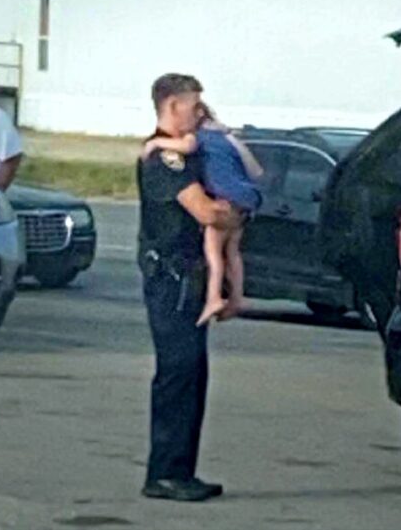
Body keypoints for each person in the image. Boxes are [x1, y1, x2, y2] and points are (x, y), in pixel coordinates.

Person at [137, 73, 240, 502]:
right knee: (178, 373)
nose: (199, 112)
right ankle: (164, 473)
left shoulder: (192, 152)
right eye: (193, 105)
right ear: (172, 106)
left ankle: (182, 470)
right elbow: (207, 212)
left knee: (194, 374)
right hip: (171, 279)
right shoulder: (165, 160)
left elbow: (225, 207)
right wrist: (224, 213)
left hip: (191, 277)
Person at [142, 102, 263, 326]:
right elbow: (256, 170)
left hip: (224, 198)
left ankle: (214, 297)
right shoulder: (228, 136)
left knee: (213, 250)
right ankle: (237, 297)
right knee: (233, 252)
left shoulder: (197, 135)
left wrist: (156, 142)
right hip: (247, 198)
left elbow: (186, 148)